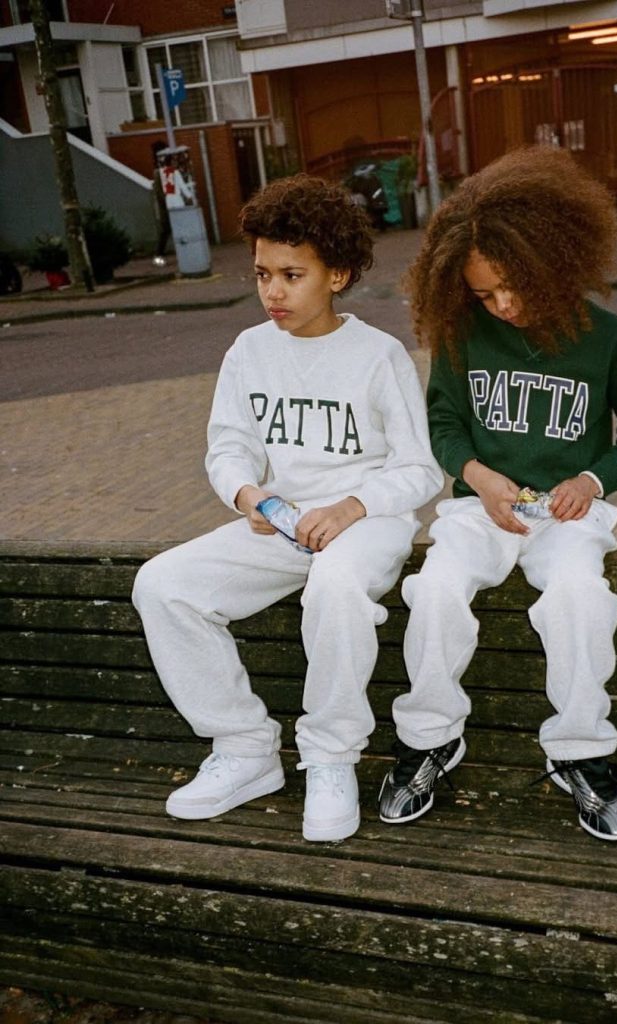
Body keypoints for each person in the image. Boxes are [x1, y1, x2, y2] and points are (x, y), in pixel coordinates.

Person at [378, 146, 617, 842]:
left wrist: (590, 481)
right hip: (480, 508)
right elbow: (444, 423)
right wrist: (478, 477)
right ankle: (429, 741)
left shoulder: (612, 340)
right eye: (484, 294)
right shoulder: (462, 334)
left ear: (553, 260)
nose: (502, 305)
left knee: (578, 597)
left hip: (567, 514)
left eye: (513, 286)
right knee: (436, 589)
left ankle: (579, 752)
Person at [132, 174, 443, 842]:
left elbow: (419, 469)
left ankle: (330, 757)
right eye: (262, 274)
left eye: (292, 275)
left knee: (335, 583)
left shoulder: (377, 355)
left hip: (367, 524)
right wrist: (248, 494)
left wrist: (354, 506)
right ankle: (245, 749)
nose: (273, 291)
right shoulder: (249, 350)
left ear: (338, 275)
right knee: (163, 585)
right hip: (283, 522)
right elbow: (228, 447)